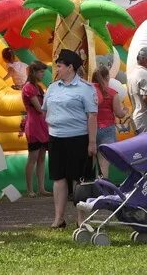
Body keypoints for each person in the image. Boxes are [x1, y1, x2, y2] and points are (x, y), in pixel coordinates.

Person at [42, 49, 97, 229]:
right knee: (58, 178)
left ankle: (81, 218)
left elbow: (92, 116)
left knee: (78, 179)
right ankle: (59, 218)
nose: (57, 69)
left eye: (59, 66)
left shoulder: (85, 88)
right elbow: (44, 110)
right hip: (56, 138)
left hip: (78, 138)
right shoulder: (52, 87)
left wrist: (92, 142)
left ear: (70, 67)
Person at [21, 61, 51, 197]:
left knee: (41, 158)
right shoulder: (29, 88)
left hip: (42, 125)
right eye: (40, 72)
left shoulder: (38, 87)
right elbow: (39, 108)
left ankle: (41, 188)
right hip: (34, 126)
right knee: (32, 158)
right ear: (33, 72)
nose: (42, 74)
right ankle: (30, 189)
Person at [91, 65, 126, 179]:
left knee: (90, 162)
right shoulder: (112, 93)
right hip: (107, 129)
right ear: (107, 78)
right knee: (104, 163)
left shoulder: (89, 91)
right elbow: (119, 113)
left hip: (90, 129)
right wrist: (125, 110)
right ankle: (102, 190)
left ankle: (87, 189)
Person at [127, 47, 147, 139]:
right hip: (146, 118)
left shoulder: (132, 75)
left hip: (137, 117)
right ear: (146, 59)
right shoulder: (144, 74)